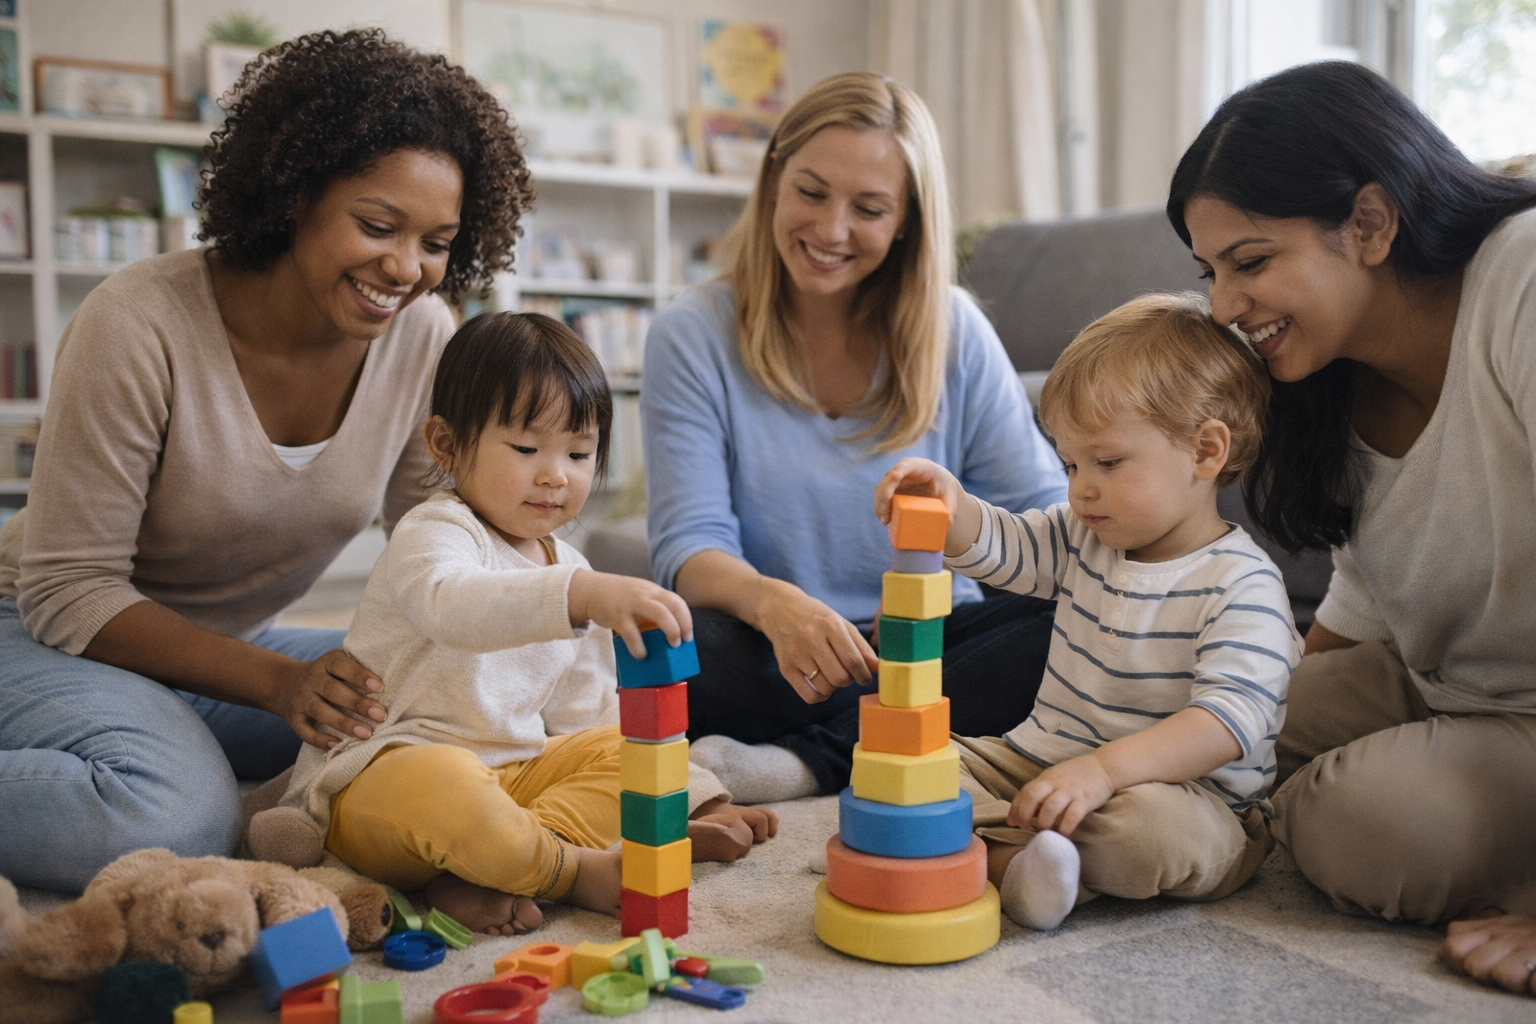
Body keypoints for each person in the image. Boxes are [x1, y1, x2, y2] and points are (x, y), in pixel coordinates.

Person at [0, 29, 531, 892]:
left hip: (221, 645)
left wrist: (543, 605)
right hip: (41, 634)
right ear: (293, 196)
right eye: (376, 225)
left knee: (437, 709)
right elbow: (69, 591)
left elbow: (434, 533)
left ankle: (154, 730)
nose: (405, 268)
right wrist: (281, 685)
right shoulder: (137, 324)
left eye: (436, 242)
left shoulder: (422, 339)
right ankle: (146, 747)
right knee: (174, 812)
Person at [1167, 60, 1536, 995]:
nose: (1222, 307)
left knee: (1358, 826)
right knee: (1188, 710)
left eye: (1249, 262)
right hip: (1441, 687)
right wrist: (1248, 700)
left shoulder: (1523, 278)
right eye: (1210, 273)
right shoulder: (1333, 383)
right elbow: (1371, 596)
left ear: (1370, 223)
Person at [251, 312, 776, 935]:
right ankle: (573, 872)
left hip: (513, 776)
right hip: (389, 768)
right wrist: (579, 595)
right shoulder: (437, 532)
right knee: (445, 789)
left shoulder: (568, 566)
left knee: (628, 748)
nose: (556, 473)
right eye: (526, 449)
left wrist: (687, 790)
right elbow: (455, 607)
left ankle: (495, 866)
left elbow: (587, 711)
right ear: (445, 445)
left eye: (579, 453)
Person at [642, 72, 1067, 803]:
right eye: (811, 192)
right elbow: (688, 546)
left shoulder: (955, 329)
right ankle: (900, 739)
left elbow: (1049, 524)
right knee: (663, 641)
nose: (831, 231)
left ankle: (806, 764)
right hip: (779, 653)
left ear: (906, 220)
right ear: (773, 177)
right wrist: (778, 607)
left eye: (868, 209)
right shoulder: (693, 331)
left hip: (936, 648)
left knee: (1077, 618)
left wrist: (965, 525)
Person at [874, 293, 1300, 930]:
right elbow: (1006, 550)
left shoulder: (1243, 584)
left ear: (1206, 452)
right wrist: (951, 506)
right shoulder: (1083, 533)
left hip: (1189, 799)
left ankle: (997, 856)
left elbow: (1224, 724)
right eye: (1071, 463)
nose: (1080, 487)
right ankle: (1015, 864)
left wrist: (1104, 772)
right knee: (903, 769)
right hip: (1039, 759)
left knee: (1150, 838)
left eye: (1107, 462)